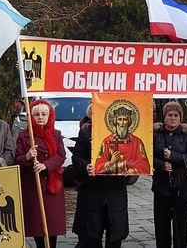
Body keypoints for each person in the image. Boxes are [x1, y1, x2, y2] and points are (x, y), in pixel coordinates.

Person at [72, 104, 129, 247]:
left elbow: (133, 157)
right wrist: (86, 166)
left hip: (115, 191)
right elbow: (77, 157)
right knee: (90, 234)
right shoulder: (86, 133)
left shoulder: (123, 134)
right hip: (92, 189)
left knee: (115, 234)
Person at [15, 100, 66, 248]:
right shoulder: (24, 135)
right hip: (33, 187)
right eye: (36, 114)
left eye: (44, 114)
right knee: (38, 226)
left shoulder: (56, 134)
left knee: (52, 227)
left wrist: (45, 165)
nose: (40, 117)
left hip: (52, 186)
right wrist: (28, 156)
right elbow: (17, 159)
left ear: (49, 116)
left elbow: (61, 156)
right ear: (31, 116)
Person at [153, 101, 187, 248]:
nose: (173, 118)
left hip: (181, 186)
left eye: (176, 115)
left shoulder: (186, 135)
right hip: (161, 187)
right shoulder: (156, 134)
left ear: (180, 118)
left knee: (180, 227)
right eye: (169, 115)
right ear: (164, 117)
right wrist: (161, 165)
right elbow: (147, 156)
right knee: (162, 227)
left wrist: (173, 156)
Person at [94, 102, 151, 175]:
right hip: (109, 180)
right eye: (119, 119)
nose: (122, 123)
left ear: (129, 122)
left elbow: (145, 165)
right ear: (115, 122)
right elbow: (98, 166)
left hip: (128, 177)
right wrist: (111, 162)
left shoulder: (137, 142)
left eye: (125, 119)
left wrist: (134, 170)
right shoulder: (107, 141)